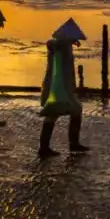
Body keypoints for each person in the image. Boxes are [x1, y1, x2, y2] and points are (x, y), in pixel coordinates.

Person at [38, 18, 90, 157]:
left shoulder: (63, 45)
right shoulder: (59, 46)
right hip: (57, 87)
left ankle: (49, 147)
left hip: (60, 86)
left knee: (60, 114)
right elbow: (52, 44)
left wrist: (70, 42)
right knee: (57, 114)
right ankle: (63, 145)